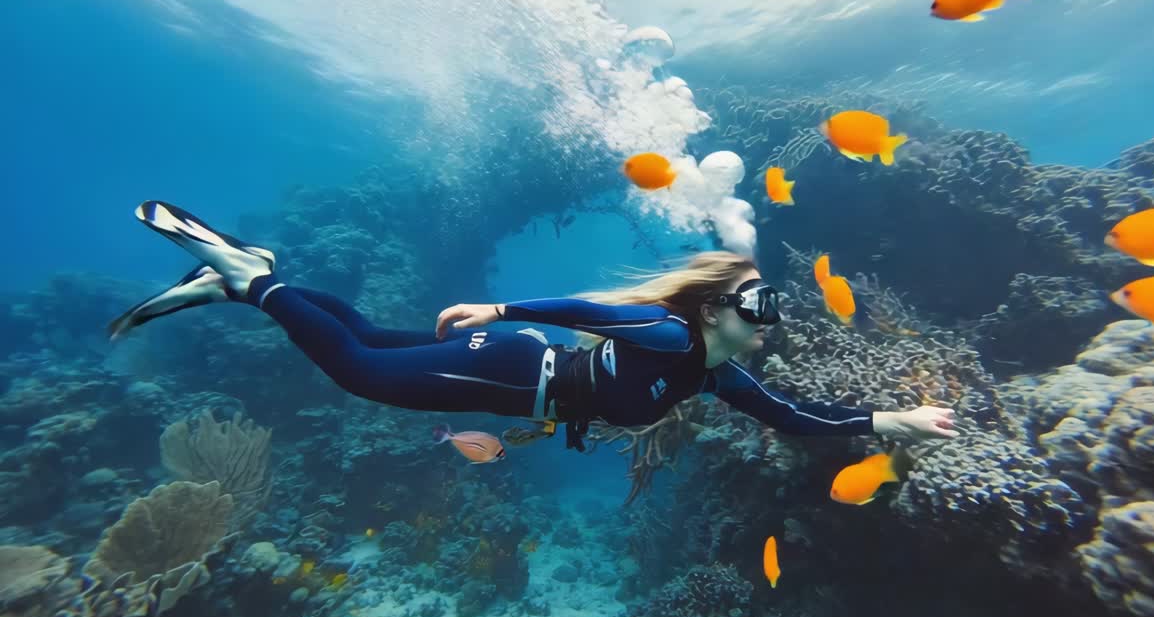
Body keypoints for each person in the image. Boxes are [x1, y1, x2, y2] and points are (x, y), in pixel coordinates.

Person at [112, 200, 959, 451]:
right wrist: (501, 306)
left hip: (520, 364)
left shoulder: (714, 371)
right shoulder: (673, 338)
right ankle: (251, 279)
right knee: (356, 370)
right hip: (516, 370)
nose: (769, 323)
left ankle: (244, 281)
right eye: (759, 305)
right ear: (714, 309)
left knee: (365, 333)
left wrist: (894, 420)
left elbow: (797, 419)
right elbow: (594, 313)